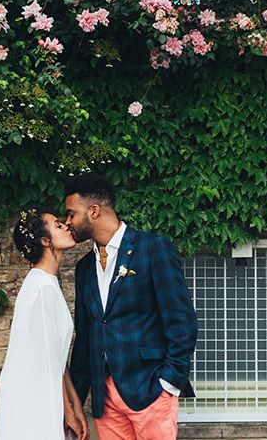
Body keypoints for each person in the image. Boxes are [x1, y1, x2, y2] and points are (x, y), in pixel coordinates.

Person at [64, 173, 198, 440]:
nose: (68, 222)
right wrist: (76, 405)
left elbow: (181, 321)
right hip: (106, 401)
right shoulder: (84, 269)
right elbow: (85, 340)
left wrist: (168, 383)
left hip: (150, 390)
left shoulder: (152, 248)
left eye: (71, 214)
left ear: (93, 210)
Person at [0, 208, 89, 440]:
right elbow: (48, 359)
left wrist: (76, 404)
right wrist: (68, 413)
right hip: (32, 394)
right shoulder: (41, 287)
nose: (66, 226)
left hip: (44, 389)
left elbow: (56, 357)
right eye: (58, 225)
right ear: (45, 240)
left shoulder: (48, 282)